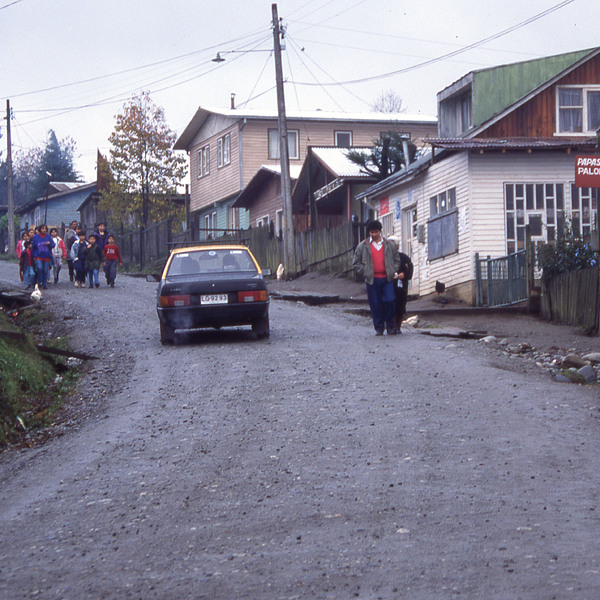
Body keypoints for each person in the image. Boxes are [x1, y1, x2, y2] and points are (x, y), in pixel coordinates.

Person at [352, 219, 401, 335]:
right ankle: (379, 327)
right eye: (371, 232)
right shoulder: (363, 246)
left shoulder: (388, 245)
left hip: (387, 279)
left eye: (376, 232)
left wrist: (393, 270)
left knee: (389, 301)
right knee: (375, 304)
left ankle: (390, 326)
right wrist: (365, 271)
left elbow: (397, 259)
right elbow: (356, 262)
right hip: (372, 280)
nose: (374, 234)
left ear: (380, 231)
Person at [388, 236, 414, 333]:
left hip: (401, 286)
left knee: (401, 305)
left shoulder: (404, 258)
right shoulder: (384, 259)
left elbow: (410, 268)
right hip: (389, 285)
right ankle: (392, 326)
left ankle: (398, 326)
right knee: (390, 304)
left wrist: (405, 274)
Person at [31, 224, 55, 289]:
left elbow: (53, 245)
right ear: (40, 229)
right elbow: (33, 247)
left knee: (45, 270)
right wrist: (33, 255)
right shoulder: (36, 237)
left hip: (46, 255)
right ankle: (39, 281)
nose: (44, 230)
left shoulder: (48, 237)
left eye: (45, 228)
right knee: (39, 268)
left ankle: (44, 284)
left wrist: (49, 244)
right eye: (42, 228)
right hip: (38, 255)